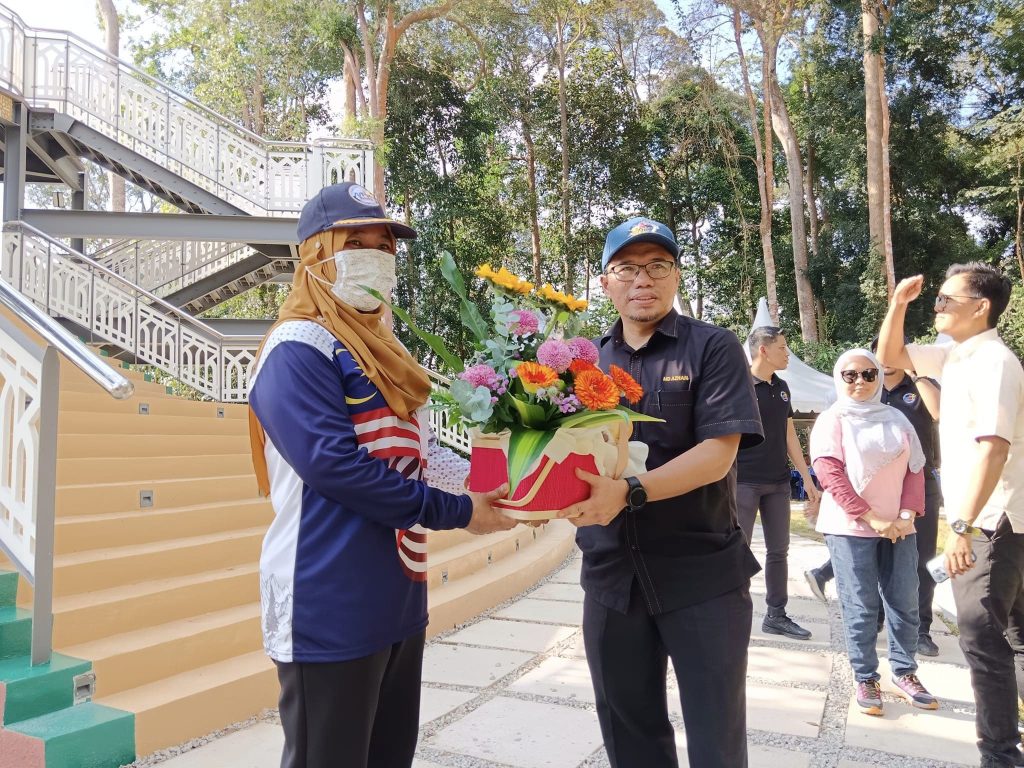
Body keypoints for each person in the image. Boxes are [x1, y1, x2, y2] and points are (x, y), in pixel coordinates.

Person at [247, 182, 517, 768]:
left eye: (385, 245)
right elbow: (335, 468)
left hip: (397, 593)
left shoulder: (386, 352)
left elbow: (424, 455)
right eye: (357, 242)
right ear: (315, 254)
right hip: (329, 597)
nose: (375, 256)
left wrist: (503, 484)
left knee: (390, 755)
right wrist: (462, 512)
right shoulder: (299, 349)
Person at [557, 217, 764, 768]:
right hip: (610, 580)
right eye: (626, 268)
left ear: (675, 276)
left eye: (657, 266)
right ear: (605, 282)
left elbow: (718, 453)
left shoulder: (713, 348)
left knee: (716, 738)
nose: (642, 280)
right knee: (630, 734)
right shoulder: (585, 366)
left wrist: (629, 491)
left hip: (702, 576)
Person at [878, 263, 1024, 768]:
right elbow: (889, 357)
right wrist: (899, 304)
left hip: (993, 521)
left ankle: (1000, 756)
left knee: (981, 638)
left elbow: (994, 450)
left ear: (980, 307)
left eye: (945, 299)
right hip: (996, 520)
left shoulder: (995, 363)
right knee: (1013, 639)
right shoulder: (955, 357)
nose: (936, 306)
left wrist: (961, 526)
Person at [810, 347, 937, 717]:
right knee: (862, 606)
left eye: (868, 374)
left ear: (879, 377)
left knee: (905, 603)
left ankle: (905, 671)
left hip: (900, 526)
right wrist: (871, 517)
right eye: (850, 375)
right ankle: (865, 676)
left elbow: (916, 469)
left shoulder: (897, 418)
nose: (860, 382)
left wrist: (906, 513)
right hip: (850, 528)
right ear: (839, 378)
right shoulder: (833, 419)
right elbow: (829, 472)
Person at [737, 326, 821, 640]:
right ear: (763, 350)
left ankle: (776, 615)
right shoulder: (739, 383)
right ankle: (733, 613)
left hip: (777, 483)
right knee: (738, 549)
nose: (787, 354)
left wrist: (807, 476)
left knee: (778, 551)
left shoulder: (782, 387)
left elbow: (788, 436)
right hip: (743, 481)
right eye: (783, 348)